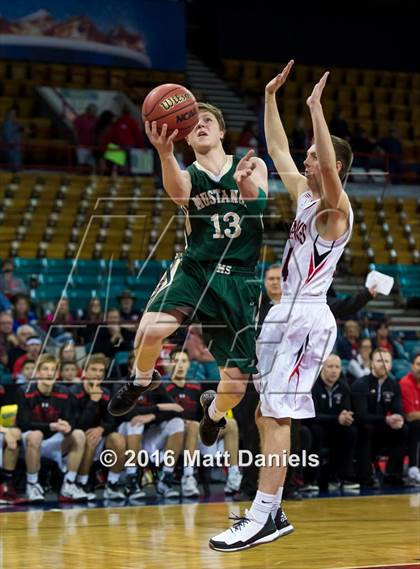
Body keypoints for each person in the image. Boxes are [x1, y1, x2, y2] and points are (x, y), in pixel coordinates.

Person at [210, 61, 354, 551]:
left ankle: (264, 516)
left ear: (333, 165)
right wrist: (271, 98)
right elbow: (276, 150)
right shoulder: (305, 198)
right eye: (310, 156)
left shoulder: (337, 210)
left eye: (315, 156)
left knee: (276, 417)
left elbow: (329, 167)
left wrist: (316, 108)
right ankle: (271, 508)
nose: (307, 161)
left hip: (308, 317)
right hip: (281, 313)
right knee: (260, 413)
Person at [108, 102, 268, 481]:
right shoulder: (189, 172)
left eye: (208, 121)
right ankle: (141, 380)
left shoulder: (251, 163)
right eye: (194, 123)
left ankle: (212, 412)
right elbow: (179, 195)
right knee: (149, 331)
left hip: (239, 278)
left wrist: (244, 180)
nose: (201, 126)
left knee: (235, 388)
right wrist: (164, 153)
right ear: (185, 133)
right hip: (196, 267)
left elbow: (258, 203)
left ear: (221, 132)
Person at [16, 354, 89, 502]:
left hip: (55, 442)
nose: (49, 373)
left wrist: (68, 427)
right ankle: (32, 484)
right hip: (29, 443)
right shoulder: (24, 391)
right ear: (37, 373)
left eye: (53, 370)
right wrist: (51, 426)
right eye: (45, 369)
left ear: (57, 374)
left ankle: (68, 484)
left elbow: (72, 420)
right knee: (36, 434)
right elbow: (24, 423)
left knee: (79, 434)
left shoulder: (64, 392)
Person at [72, 354, 129, 500]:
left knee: (118, 439)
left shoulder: (107, 393)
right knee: (90, 437)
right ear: (84, 372)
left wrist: (101, 429)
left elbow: (112, 421)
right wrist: (92, 402)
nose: (97, 374)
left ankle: (112, 483)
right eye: (93, 370)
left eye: (101, 371)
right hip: (75, 442)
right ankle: (82, 483)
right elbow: (78, 425)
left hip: (99, 437)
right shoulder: (73, 392)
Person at [351, 348, 406, 486]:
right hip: (363, 428)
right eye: (379, 360)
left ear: (391, 364)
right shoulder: (360, 384)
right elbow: (361, 416)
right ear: (371, 363)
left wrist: (399, 419)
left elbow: (398, 409)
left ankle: (393, 474)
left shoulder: (393, 385)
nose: (383, 364)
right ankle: (365, 475)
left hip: (382, 428)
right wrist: (386, 420)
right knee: (366, 428)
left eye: (386, 361)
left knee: (404, 430)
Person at [304, 354, 359, 491]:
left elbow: (346, 412)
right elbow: (311, 416)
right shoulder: (312, 386)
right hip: (315, 426)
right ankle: (311, 479)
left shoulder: (343, 387)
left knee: (351, 432)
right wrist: (337, 419)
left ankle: (342, 477)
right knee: (316, 431)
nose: (334, 370)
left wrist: (347, 417)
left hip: (334, 428)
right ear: (322, 367)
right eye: (330, 367)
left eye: (337, 367)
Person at [399, 352, 420, 484]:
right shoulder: (405, 383)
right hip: (406, 425)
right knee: (417, 424)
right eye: (418, 364)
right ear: (411, 366)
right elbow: (410, 415)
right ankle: (413, 468)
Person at [0, 383, 21, 503]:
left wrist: (8, 430)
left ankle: (7, 483)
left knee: (15, 433)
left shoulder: (4, 391)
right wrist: (5, 431)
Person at [73, 103, 97, 168]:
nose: (95, 113)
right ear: (88, 111)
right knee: (81, 164)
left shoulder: (96, 120)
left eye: (95, 111)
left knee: (91, 165)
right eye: (94, 111)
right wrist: (77, 143)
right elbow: (75, 131)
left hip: (92, 147)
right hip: (82, 146)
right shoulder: (80, 119)